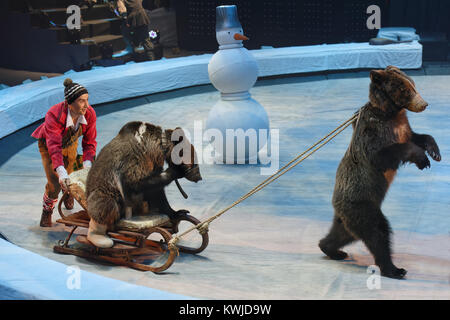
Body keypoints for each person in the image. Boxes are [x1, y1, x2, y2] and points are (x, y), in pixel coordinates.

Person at [32, 79, 97, 227]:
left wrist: (88, 164)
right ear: (70, 103)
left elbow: (90, 142)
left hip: (70, 142)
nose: (86, 105)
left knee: (72, 175)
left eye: (87, 100)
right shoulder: (54, 114)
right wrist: (60, 172)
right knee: (55, 183)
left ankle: (67, 192)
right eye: (81, 101)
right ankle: (47, 211)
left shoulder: (89, 113)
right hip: (48, 145)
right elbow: (54, 147)